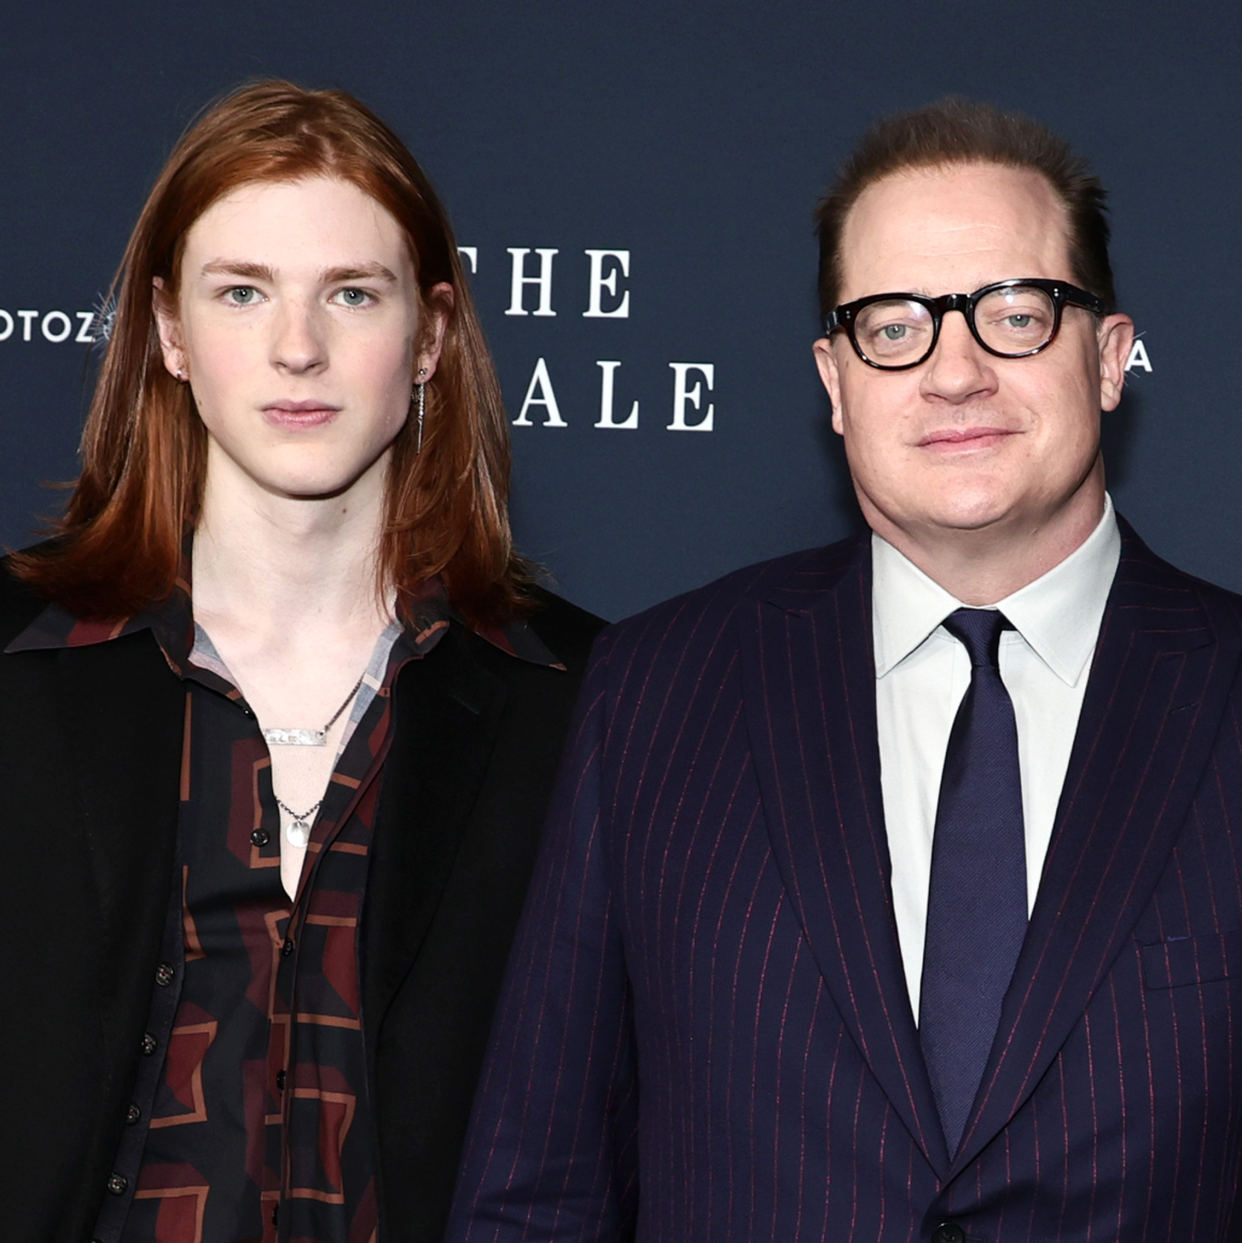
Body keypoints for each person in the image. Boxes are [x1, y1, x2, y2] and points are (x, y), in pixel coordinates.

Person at [448, 98, 1242, 1241]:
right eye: (893, 325)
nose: (954, 370)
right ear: (834, 381)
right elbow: (537, 1190)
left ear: (1110, 358)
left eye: (1016, 315)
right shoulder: (656, 691)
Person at [0, 80, 602, 1243]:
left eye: (351, 295)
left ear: (427, 336)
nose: (297, 348)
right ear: (171, 332)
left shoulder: (578, 702)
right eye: (243, 292)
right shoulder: (21, 663)